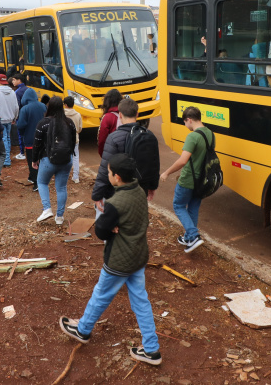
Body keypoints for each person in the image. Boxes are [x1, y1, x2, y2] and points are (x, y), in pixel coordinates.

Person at [59, 153, 162, 367]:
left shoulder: (115, 203)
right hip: (138, 256)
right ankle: (151, 350)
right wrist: (114, 225)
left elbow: (101, 231)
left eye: (108, 173)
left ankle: (83, 330)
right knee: (141, 301)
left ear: (116, 177)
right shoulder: (139, 191)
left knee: (102, 293)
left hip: (119, 260)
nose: (107, 175)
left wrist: (110, 225)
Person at [93, 98, 159, 217]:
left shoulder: (114, 138)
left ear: (120, 115)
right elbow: (154, 163)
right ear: (137, 114)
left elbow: (104, 169)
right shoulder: (148, 135)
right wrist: (153, 186)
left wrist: (97, 195)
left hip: (118, 191)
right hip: (140, 189)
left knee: (115, 221)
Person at [160, 106, 211, 253]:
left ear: (189, 120)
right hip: (202, 180)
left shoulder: (193, 136)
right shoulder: (210, 134)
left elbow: (183, 161)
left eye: (185, 123)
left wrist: (166, 173)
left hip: (189, 179)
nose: (185, 126)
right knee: (193, 207)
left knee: (179, 206)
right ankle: (189, 238)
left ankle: (194, 236)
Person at [31, 97, 77, 225]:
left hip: (48, 160)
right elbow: (73, 142)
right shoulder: (69, 122)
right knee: (61, 187)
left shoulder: (43, 123)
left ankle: (47, 209)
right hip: (66, 160)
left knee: (41, 182)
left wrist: (34, 160)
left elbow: (37, 144)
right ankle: (60, 217)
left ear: (49, 106)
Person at [17, 85, 46, 191]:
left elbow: (20, 125)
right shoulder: (43, 106)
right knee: (41, 159)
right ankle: (40, 179)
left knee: (32, 161)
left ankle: (36, 182)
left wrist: (22, 134)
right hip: (43, 139)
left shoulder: (24, 109)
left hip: (30, 139)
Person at [0, 74, 20, 167]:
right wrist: (14, 117)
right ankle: (6, 158)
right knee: (7, 138)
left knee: (4, 139)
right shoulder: (12, 92)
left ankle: (6, 160)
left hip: (0, 120)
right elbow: (16, 107)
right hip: (10, 119)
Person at [63, 96, 83, 184]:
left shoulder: (61, 114)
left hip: (63, 139)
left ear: (65, 105)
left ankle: (64, 176)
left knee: (63, 158)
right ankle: (76, 177)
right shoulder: (78, 115)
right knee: (75, 157)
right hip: (74, 139)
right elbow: (79, 128)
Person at [97, 89, 122, 157]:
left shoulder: (107, 117)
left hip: (112, 153)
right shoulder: (124, 114)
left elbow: (102, 139)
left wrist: (102, 153)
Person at [12, 73, 29, 160]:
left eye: (14, 80)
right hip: (30, 115)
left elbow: (17, 106)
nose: (12, 81)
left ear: (19, 80)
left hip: (21, 116)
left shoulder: (17, 92)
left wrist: (15, 117)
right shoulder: (29, 89)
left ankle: (22, 153)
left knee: (21, 134)